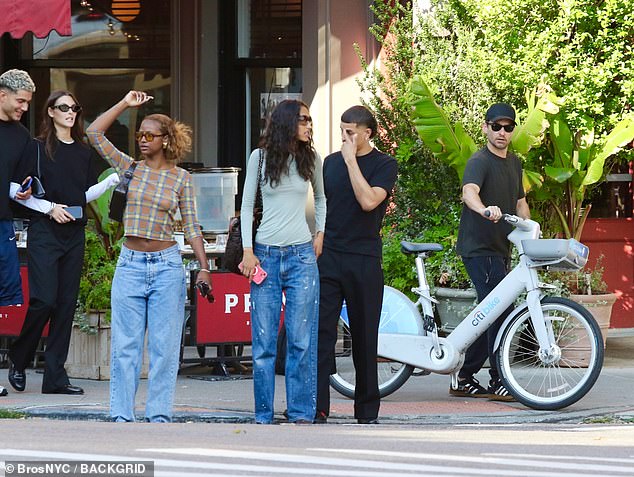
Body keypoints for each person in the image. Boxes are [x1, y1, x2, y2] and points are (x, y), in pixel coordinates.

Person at [86, 91, 211, 423]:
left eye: (149, 135)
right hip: (130, 263)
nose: (142, 139)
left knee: (164, 348)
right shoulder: (130, 167)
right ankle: (121, 415)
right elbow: (94, 134)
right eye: (139, 134)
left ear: (166, 140)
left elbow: (192, 226)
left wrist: (204, 267)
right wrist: (125, 104)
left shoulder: (182, 179)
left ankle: (158, 416)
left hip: (167, 266)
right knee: (125, 347)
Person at [6, 90, 119, 396]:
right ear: (51, 112)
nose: (71, 112)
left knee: (67, 305)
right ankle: (19, 356)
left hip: (74, 232)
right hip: (44, 230)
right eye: (64, 107)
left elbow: (79, 196)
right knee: (44, 299)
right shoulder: (37, 147)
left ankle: (55, 377)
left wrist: (108, 183)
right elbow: (16, 189)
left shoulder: (83, 152)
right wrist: (48, 208)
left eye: (74, 108)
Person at [239, 99, 325, 424]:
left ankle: (301, 414)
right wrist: (248, 250)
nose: (309, 125)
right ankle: (263, 415)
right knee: (263, 344)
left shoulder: (310, 159)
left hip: (302, 255)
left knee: (301, 341)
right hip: (265, 256)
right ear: (287, 122)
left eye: (310, 120)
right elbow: (247, 207)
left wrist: (320, 233)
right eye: (303, 120)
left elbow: (322, 197)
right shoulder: (259, 158)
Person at [316, 105, 397, 424]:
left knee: (364, 338)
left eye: (350, 132)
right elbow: (323, 205)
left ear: (368, 133)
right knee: (321, 333)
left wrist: (352, 161)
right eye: (341, 131)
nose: (344, 138)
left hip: (364, 258)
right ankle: (317, 407)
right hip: (330, 257)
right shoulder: (329, 163)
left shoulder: (384, 164)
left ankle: (366, 411)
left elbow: (368, 201)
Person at [451, 102, 530, 401]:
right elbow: (469, 191)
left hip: (500, 249)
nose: (502, 132)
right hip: (479, 248)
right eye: (496, 126)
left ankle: (464, 376)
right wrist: (484, 209)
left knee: (489, 312)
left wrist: (528, 227)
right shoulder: (479, 160)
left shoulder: (514, 162)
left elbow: (520, 201)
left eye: (508, 127)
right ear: (485, 127)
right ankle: (498, 380)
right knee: (499, 312)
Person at [0, 69, 36, 397]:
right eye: (20, 101)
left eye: (26, 102)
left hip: (2, 223)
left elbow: (21, 181)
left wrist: (23, 190)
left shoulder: (23, 136)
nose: (23, 107)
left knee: (2, 300)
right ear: (2, 95)